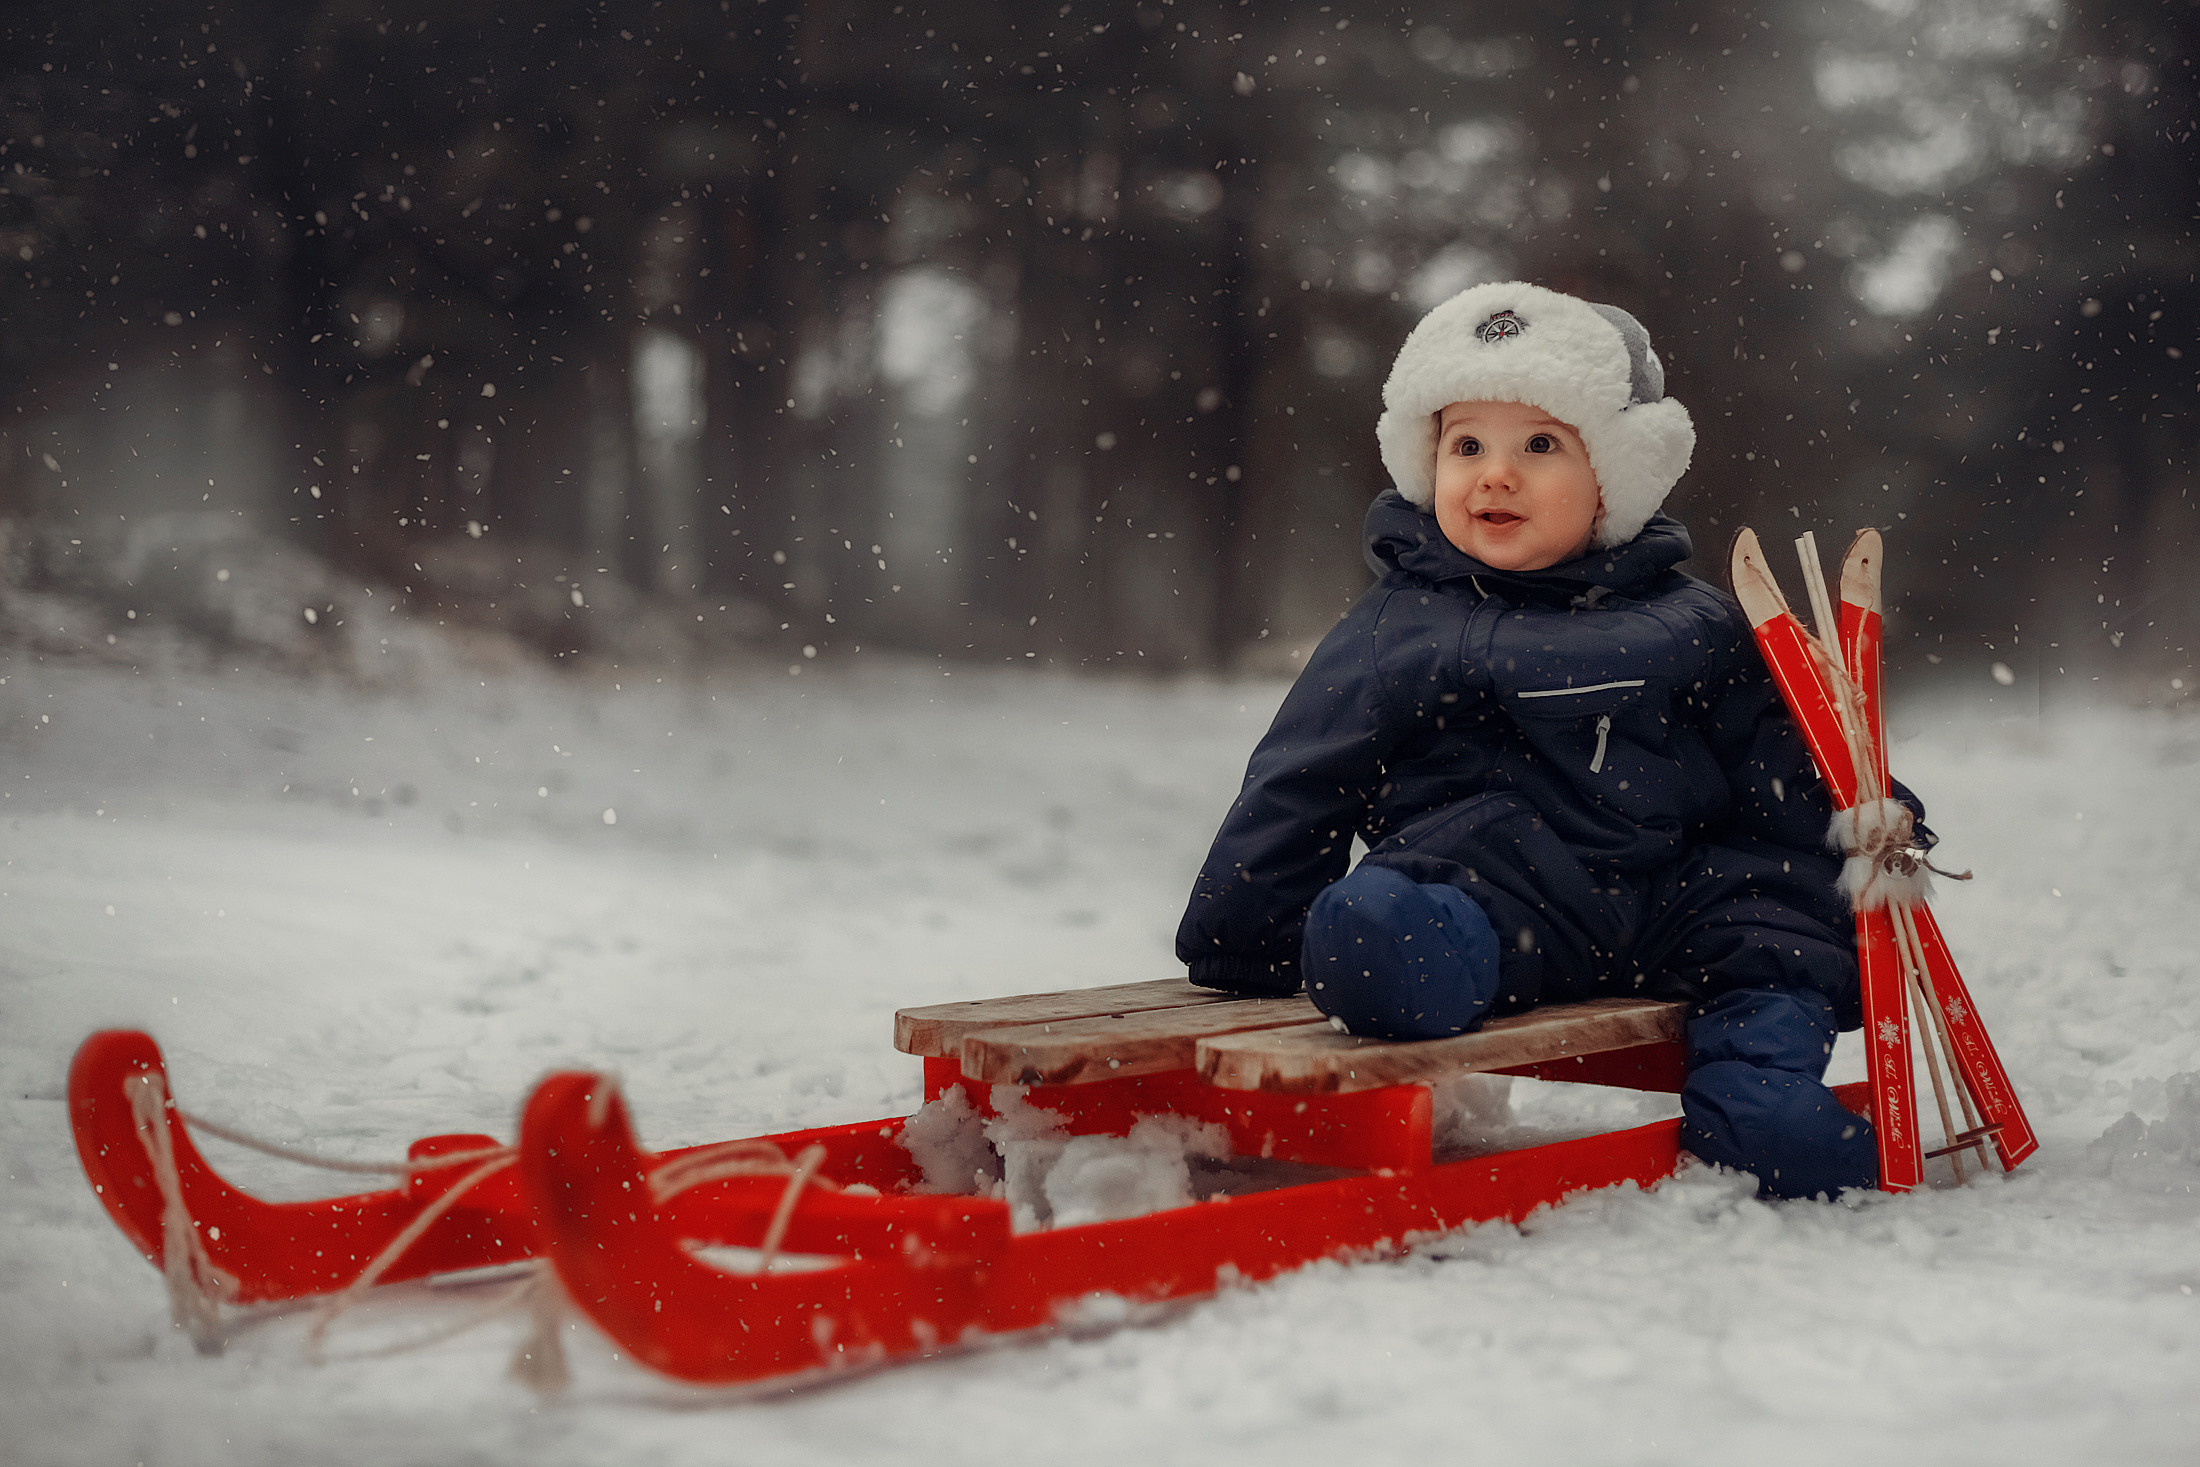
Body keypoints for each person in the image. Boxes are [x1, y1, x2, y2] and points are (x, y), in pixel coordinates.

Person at [1175, 281, 1901, 1199]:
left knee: (1772, 937)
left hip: (1681, 899)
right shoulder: (1398, 627)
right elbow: (1301, 775)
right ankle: (1399, 962)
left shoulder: (1695, 623)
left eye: (1540, 445)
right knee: (1381, 928)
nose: (1495, 474)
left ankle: (1761, 1104)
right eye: (1465, 444)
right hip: (1504, 898)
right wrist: (1246, 930)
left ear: (1616, 473)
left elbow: (1773, 761)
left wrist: (1862, 816)